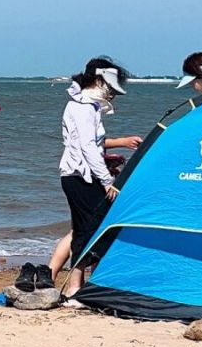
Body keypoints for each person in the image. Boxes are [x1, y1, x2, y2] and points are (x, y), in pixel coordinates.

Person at [46, 58, 143, 299]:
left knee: (84, 231)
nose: (112, 94)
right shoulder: (84, 107)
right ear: (99, 81)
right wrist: (107, 180)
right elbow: (88, 147)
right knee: (97, 230)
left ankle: (78, 287)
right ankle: (81, 287)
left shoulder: (83, 105)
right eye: (110, 87)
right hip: (82, 178)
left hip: (78, 176)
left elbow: (90, 144)